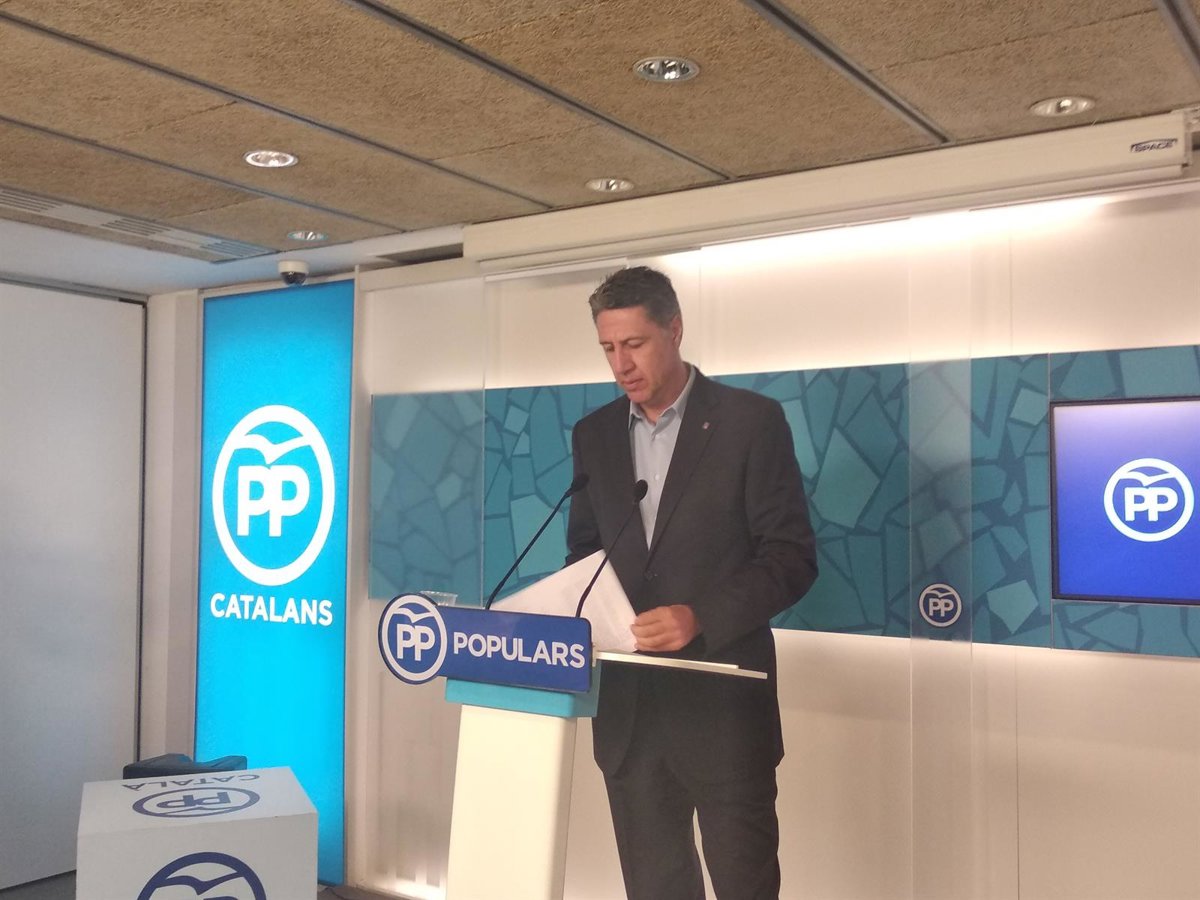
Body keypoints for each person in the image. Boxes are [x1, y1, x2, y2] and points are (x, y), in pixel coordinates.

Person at [566, 265, 819, 900]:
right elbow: (585, 554)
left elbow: (791, 558)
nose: (621, 365)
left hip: (723, 714)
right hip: (629, 717)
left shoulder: (749, 422)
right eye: (607, 348)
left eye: (634, 343)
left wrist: (700, 615)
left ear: (674, 330)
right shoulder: (594, 435)